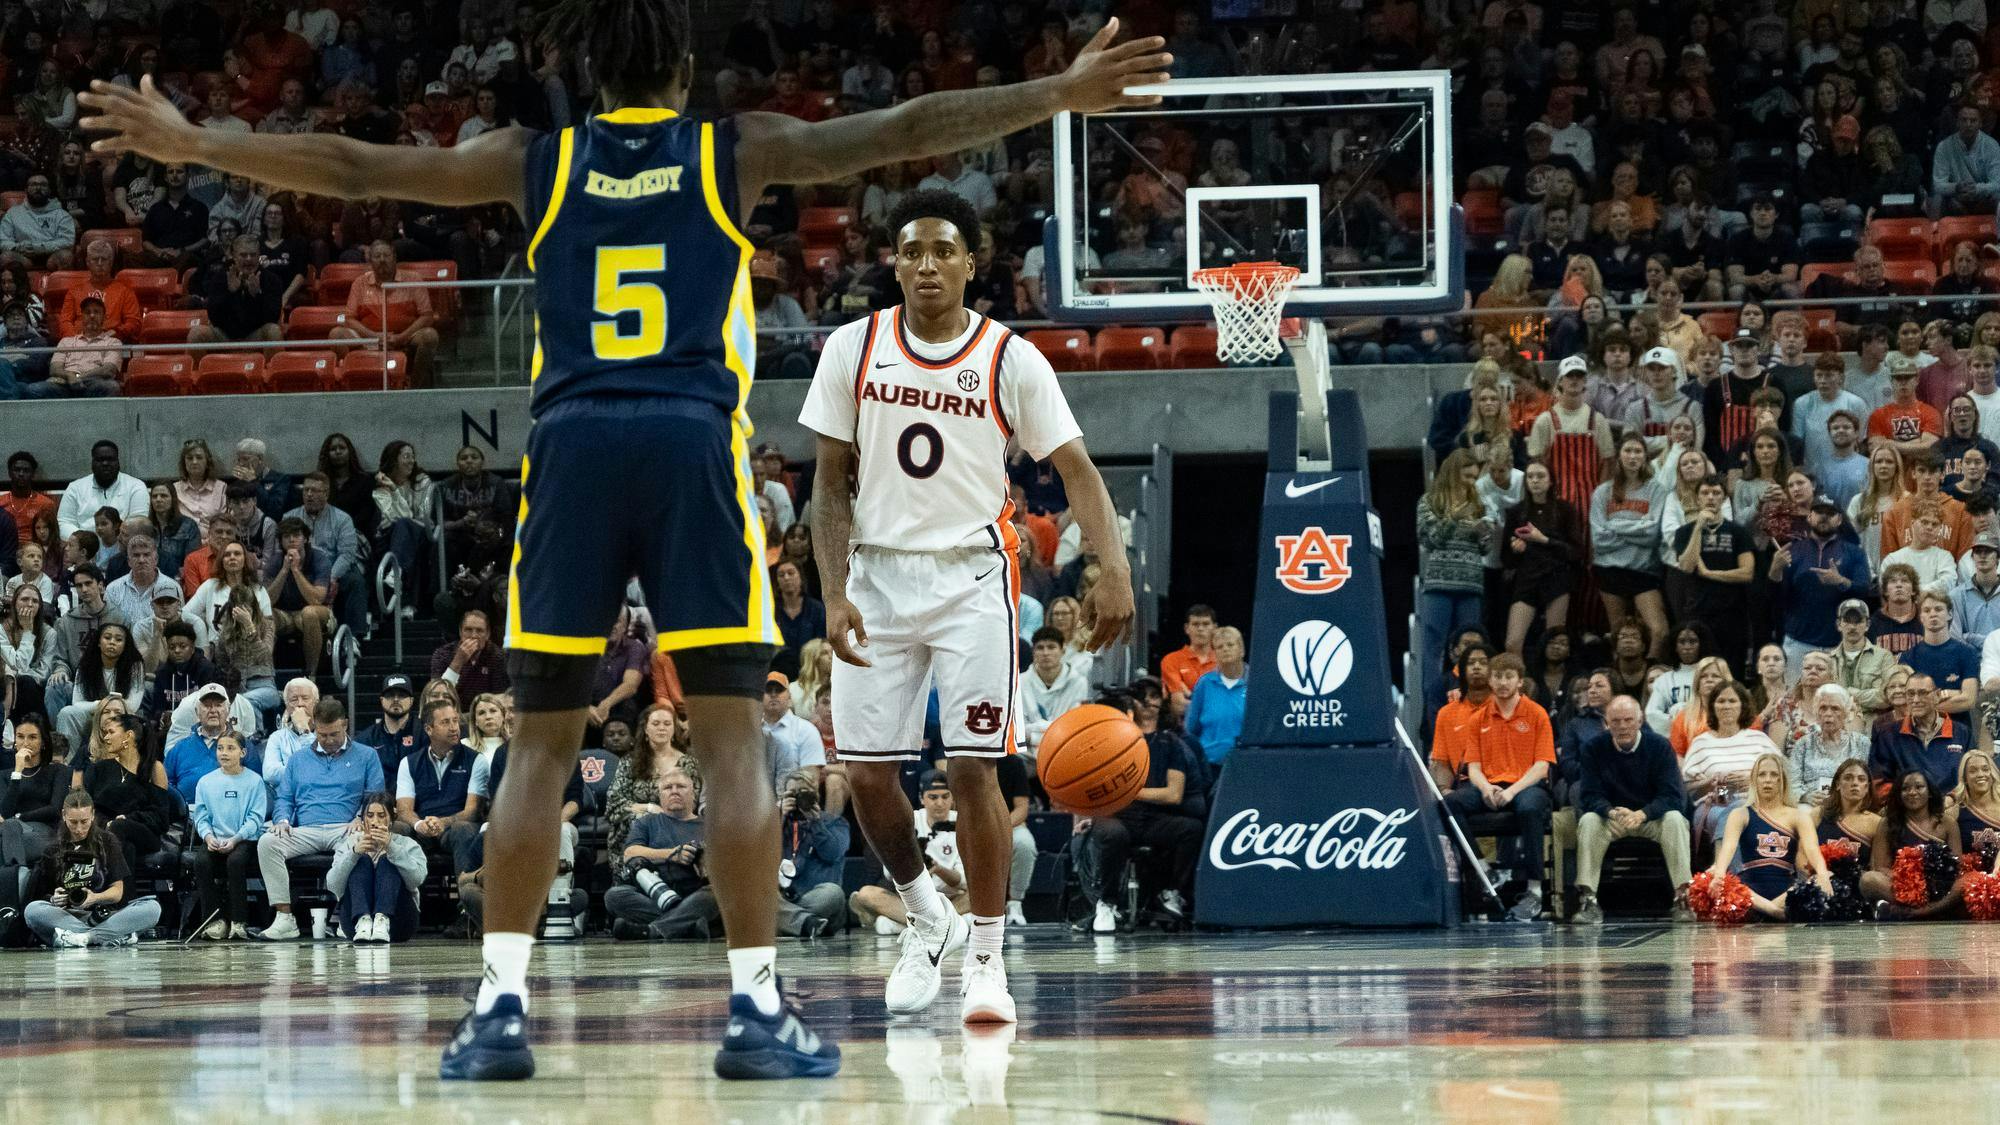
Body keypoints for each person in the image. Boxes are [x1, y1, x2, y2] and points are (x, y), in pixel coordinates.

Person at [80, 0, 1165, 1080]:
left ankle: (498, 1008)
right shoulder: (733, 151)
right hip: (690, 441)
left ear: (581, 74)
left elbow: (354, 167)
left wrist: (192, 141)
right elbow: (909, 128)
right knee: (731, 739)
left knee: (541, 745)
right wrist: (1058, 94)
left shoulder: (529, 159)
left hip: (572, 448)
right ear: (684, 67)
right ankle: (753, 1010)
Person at [801, 186, 1136, 1027]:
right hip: (876, 576)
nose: (925, 265)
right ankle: (926, 915)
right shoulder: (853, 346)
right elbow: (828, 486)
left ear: (971, 262)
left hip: (972, 579)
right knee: (870, 775)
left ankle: (987, 958)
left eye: (942, 250)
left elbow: (1079, 472)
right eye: (911, 250)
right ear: (894, 262)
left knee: (970, 766)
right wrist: (833, 589)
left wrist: (1113, 567)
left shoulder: (1010, 358)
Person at [255, 699, 385, 940]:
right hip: (306, 829)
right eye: (322, 734)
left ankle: (345, 916)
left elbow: (375, 797)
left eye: (334, 733)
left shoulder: (367, 756)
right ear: (314, 726)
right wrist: (282, 820)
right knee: (267, 843)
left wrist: (360, 817)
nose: (328, 740)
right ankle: (284, 918)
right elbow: (284, 797)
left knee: (361, 842)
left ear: (345, 725)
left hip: (346, 827)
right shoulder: (297, 759)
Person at [1441, 653, 1555, 921]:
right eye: (1498, 677)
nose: (1503, 682)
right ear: (1490, 680)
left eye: (1509, 677)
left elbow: (1542, 766)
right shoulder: (1478, 718)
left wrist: (1512, 791)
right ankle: (1483, 868)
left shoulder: (1536, 714)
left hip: (1526, 785)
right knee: (1449, 803)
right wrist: (1485, 789)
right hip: (1490, 783)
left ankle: (1535, 889)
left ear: (1519, 681)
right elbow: (1474, 768)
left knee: (1528, 808)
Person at [1083, 689, 1204, 932]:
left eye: (1152, 698)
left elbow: (1173, 794)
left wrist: (1130, 792)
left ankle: (1172, 892)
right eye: (1142, 699)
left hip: (1152, 816)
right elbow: (1085, 787)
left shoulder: (1169, 743)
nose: (1146, 704)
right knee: (1112, 833)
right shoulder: (1103, 743)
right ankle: (1106, 903)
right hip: (1116, 815)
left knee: (1191, 829)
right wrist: (1084, 814)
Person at [1570, 696, 1692, 924]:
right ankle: (1588, 900)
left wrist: (1642, 814)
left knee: (1675, 819)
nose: (1623, 726)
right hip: (1613, 818)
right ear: (1606, 723)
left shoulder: (1660, 746)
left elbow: (1671, 796)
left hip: (1650, 817)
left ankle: (1682, 897)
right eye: (1616, 721)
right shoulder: (1593, 749)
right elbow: (1589, 795)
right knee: (1588, 820)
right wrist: (1612, 812)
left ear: (1640, 721)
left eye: (1628, 720)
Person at [1704, 754, 1835, 920]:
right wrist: (1720, 874)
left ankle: (1766, 911)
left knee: (1823, 877)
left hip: (1785, 892)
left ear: (1783, 781)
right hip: (1750, 891)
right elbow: (1728, 848)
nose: (1768, 780)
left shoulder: (1799, 816)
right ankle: (1775, 912)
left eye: (1774, 775)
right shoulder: (1740, 813)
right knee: (1719, 878)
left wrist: (1822, 873)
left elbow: (1812, 849)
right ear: (1754, 780)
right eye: (1762, 775)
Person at [24, 789, 160, 948]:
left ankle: (84, 938)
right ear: (64, 815)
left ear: (93, 816)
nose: (79, 829)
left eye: (84, 822)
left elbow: (118, 892)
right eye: (73, 822)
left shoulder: (107, 841)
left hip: (107, 914)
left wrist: (95, 897)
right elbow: (43, 896)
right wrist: (55, 899)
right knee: (33, 910)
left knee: (152, 908)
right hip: (70, 916)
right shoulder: (53, 849)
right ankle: (109, 937)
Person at [605, 767, 719, 940]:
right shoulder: (648, 822)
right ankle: (687, 925)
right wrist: (672, 854)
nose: (674, 791)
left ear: (693, 793)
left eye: (680, 786)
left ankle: (652, 931)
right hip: (656, 892)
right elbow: (630, 853)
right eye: (668, 788)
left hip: (696, 893)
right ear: (660, 796)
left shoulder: (709, 826)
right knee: (614, 896)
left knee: (717, 892)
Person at [188, 731, 266, 939]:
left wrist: (236, 839)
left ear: (243, 752)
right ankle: (213, 920)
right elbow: (201, 816)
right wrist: (208, 837)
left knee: (236, 862)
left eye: (230, 748)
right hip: (215, 838)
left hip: (243, 839)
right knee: (202, 861)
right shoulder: (205, 782)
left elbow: (255, 818)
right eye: (220, 748)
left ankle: (239, 921)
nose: (224, 753)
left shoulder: (255, 781)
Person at [1682, 680, 1777, 847]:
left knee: (1740, 813)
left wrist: (1753, 780)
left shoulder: (1759, 739)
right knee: (1733, 815)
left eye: (1732, 701)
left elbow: (1782, 775)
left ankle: (1725, 872)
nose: (1726, 706)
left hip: (1758, 802)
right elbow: (1687, 788)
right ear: (1712, 707)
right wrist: (1711, 782)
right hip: (1715, 806)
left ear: (1743, 706)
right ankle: (1732, 872)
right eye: (1721, 701)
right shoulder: (1700, 743)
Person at [1863, 768, 1968, 919]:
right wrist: (1911, 883)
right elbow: (1881, 867)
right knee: (1869, 880)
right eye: (1905, 788)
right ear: (1899, 794)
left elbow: (1957, 866)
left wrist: (1933, 883)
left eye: (1919, 787)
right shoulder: (1888, 823)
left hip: (1940, 889)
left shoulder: (1947, 823)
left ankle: (1918, 912)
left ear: (1930, 792)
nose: (1912, 792)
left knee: (1967, 882)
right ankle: (1928, 911)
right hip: (1904, 888)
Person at [393, 700, 481, 874]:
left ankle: (466, 892)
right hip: (422, 827)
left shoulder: (476, 760)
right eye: (445, 722)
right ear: (428, 729)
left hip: (454, 827)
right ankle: (404, 899)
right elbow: (404, 810)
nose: (454, 727)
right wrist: (419, 824)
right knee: (398, 828)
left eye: (455, 720)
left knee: (464, 828)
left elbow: (472, 811)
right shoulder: (409, 763)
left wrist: (443, 822)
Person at [329, 790, 426, 944]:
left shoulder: (408, 844)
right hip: (355, 924)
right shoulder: (349, 843)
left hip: (399, 922)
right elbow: (333, 885)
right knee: (362, 860)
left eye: (381, 816)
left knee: (387, 861)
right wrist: (353, 853)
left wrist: (392, 848)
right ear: (362, 820)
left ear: (392, 819)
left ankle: (382, 920)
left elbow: (417, 880)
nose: (375, 821)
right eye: (370, 815)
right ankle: (364, 920)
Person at [1868, 673, 1972, 795]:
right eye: (1911, 694)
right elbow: (1879, 782)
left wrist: (1953, 798)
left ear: (1937, 695)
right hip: (1907, 807)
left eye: (1923, 693)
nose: (1916, 700)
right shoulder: (1887, 735)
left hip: (1953, 807)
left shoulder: (1962, 733)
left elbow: (1972, 775)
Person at [0, 716, 65, 866]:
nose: (25, 743)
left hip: (46, 833)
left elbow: (54, 809)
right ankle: (18, 873)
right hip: (13, 833)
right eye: (20, 737)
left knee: (8, 830)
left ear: (43, 742)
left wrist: (19, 816)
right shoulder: (4, 775)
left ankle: (11, 876)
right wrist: (17, 772)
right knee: (9, 830)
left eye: (33, 737)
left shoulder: (58, 771)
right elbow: (4, 812)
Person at [1182, 626, 1247, 766]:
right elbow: (1190, 729)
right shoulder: (1205, 684)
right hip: (1209, 765)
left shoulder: (1256, 682)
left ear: (1242, 650)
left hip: (1247, 765)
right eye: (1219, 647)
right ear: (1215, 654)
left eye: (1230, 645)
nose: (1225, 649)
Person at [56, 442, 146, 538]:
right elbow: (65, 522)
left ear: (118, 462)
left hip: (123, 547)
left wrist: (115, 543)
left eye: (110, 459)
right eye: (100, 459)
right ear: (92, 463)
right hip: (84, 548)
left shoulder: (136, 486)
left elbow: (138, 524)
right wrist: (86, 542)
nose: (105, 463)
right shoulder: (75, 488)